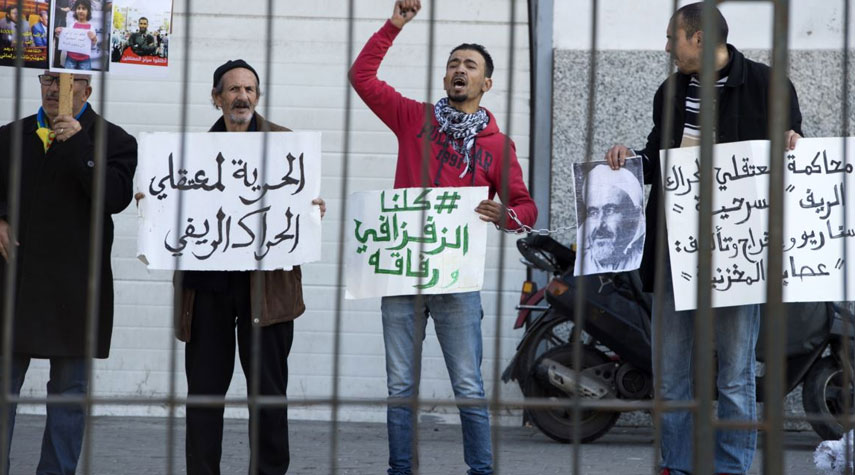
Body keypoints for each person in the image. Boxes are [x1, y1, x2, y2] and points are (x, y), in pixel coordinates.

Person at [604, 3, 802, 474]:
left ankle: (731, 467)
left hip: (739, 252)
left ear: (698, 37)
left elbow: (792, 158)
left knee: (734, 375)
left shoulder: (768, 85)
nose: (667, 47)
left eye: (673, 37)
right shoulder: (670, 91)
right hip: (676, 250)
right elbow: (658, 157)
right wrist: (628, 159)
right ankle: (677, 463)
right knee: (671, 374)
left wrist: (796, 142)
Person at [350, 1, 537, 474]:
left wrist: (505, 215)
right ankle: (400, 468)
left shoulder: (498, 145)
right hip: (400, 276)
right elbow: (362, 78)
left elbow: (526, 206)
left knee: (469, 387)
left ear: (485, 84)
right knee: (400, 387)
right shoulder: (414, 119)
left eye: (470, 65)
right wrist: (395, 25)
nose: (459, 69)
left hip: (457, 282)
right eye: (453, 63)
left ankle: (480, 469)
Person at [176, 59, 325, 475]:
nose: (242, 96)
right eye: (233, 89)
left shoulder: (286, 144)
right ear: (216, 97)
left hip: (269, 290)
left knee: (268, 395)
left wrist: (313, 210)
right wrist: (156, 204)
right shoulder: (189, 153)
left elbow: (302, 206)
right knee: (205, 395)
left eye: (249, 89)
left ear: (257, 97)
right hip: (207, 289)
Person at [0, 71, 137, 474]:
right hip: (15, 283)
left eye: (68, 80)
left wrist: (79, 142)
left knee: (68, 394)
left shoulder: (115, 141)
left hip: (77, 289)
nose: (54, 88)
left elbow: (113, 197)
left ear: (87, 90)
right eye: (48, 79)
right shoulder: (10, 136)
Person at [578, 163, 644, 273]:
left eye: (609, 211)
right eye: (593, 212)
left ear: (634, 214)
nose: (599, 225)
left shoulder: (652, 256)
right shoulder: (583, 259)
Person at [54, 0, 97, 70]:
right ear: (75, 10)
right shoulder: (72, 25)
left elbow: (93, 45)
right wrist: (58, 33)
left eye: (83, 8)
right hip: (70, 59)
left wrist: (94, 39)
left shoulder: (91, 28)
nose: (80, 11)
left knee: (84, 79)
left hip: (85, 60)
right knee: (68, 78)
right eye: (78, 8)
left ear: (88, 11)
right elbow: (65, 39)